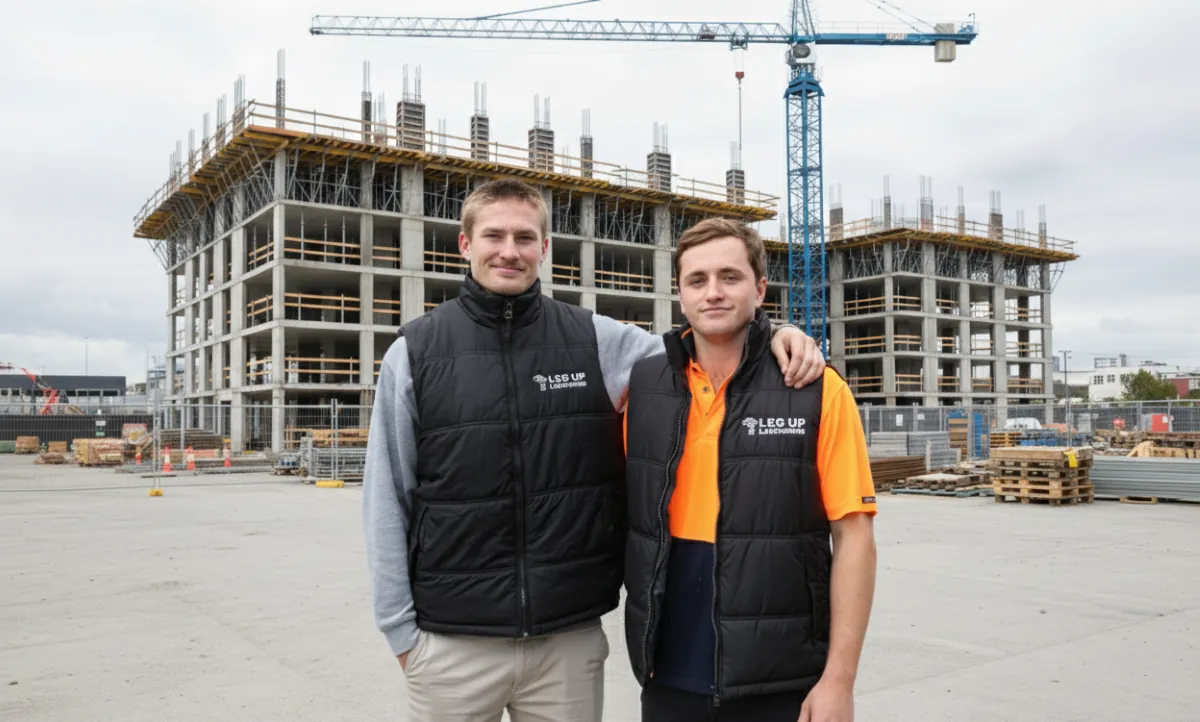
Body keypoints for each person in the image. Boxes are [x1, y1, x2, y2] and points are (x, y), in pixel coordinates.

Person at [363, 178, 827, 722]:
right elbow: (387, 497)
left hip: (567, 645)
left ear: (544, 248)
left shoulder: (594, 341)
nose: (509, 250)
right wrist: (401, 634)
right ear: (465, 245)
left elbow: (702, 343)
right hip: (452, 647)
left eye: (524, 236)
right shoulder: (414, 353)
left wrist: (777, 332)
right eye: (493, 236)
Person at [622, 218, 879, 722]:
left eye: (730, 277)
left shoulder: (816, 390)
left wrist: (839, 681)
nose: (713, 292)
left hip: (784, 682)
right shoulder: (645, 386)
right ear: (680, 293)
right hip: (667, 675)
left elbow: (855, 541)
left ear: (760, 288)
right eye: (697, 280)